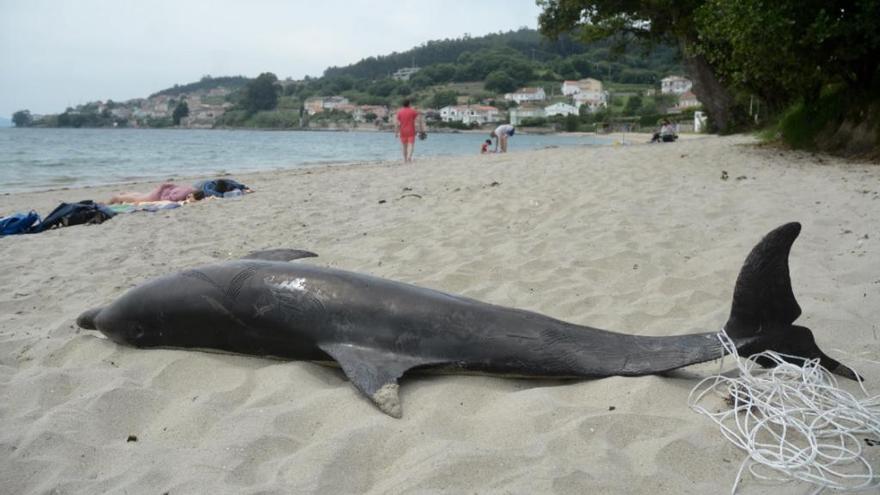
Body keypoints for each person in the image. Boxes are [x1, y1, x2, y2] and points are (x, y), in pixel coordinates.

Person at [108, 183, 204, 204]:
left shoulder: (191, 188)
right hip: (157, 195)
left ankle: (124, 193)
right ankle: (116, 198)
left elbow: (173, 186)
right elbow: (167, 200)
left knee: (140, 195)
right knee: (137, 199)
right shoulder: (183, 195)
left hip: (161, 190)